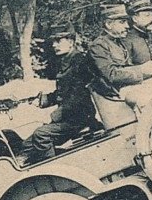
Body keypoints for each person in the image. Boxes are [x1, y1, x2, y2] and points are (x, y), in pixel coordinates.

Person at [18, 27, 101, 166]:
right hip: (69, 117)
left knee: (41, 135)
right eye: (53, 41)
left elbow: (78, 96)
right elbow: (65, 92)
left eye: (58, 40)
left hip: (79, 118)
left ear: (71, 42)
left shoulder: (80, 61)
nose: (54, 45)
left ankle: (55, 168)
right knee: (27, 145)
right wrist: (45, 99)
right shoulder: (66, 60)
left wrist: (54, 115)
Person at [88, 2, 152, 105]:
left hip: (127, 88)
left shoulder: (118, 42)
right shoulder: (98, 45)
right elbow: (112, 75)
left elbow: (126, 67)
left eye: (126, 22)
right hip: (113, 96)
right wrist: (141, 70)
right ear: (108, 24)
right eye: (122, 22)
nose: (127, 26)